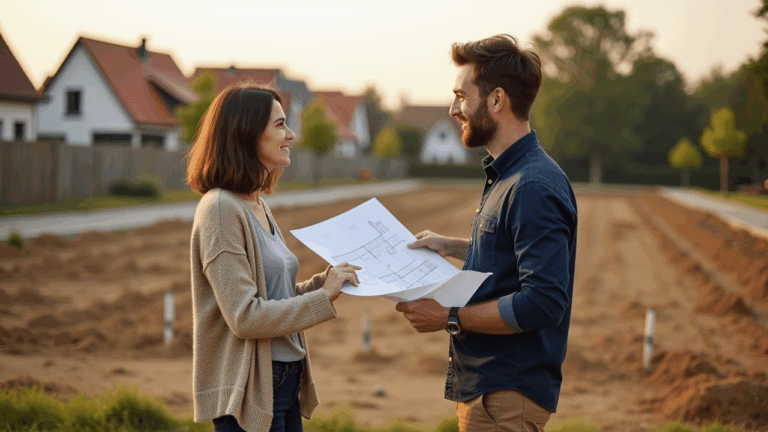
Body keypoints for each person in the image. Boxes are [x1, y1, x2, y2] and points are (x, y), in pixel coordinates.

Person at [395, 34, 578, 432]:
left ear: (496, 100)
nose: (453, 109)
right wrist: (453, 246)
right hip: (492, 392)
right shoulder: (511, 175)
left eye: (462, 96)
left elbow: (543, 301)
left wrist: (448, 316)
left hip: (505, 396)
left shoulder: (532, 185)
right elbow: (510, 253)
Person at [187, 83, 361, 432]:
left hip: (284, 380)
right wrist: (321, 297)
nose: (291, 134)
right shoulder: (221, 209)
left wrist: (324, 282)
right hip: (252, 386)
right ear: (247, 133)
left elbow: (271, 294)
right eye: (280, 125)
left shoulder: (256, 204)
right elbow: (245, 317)